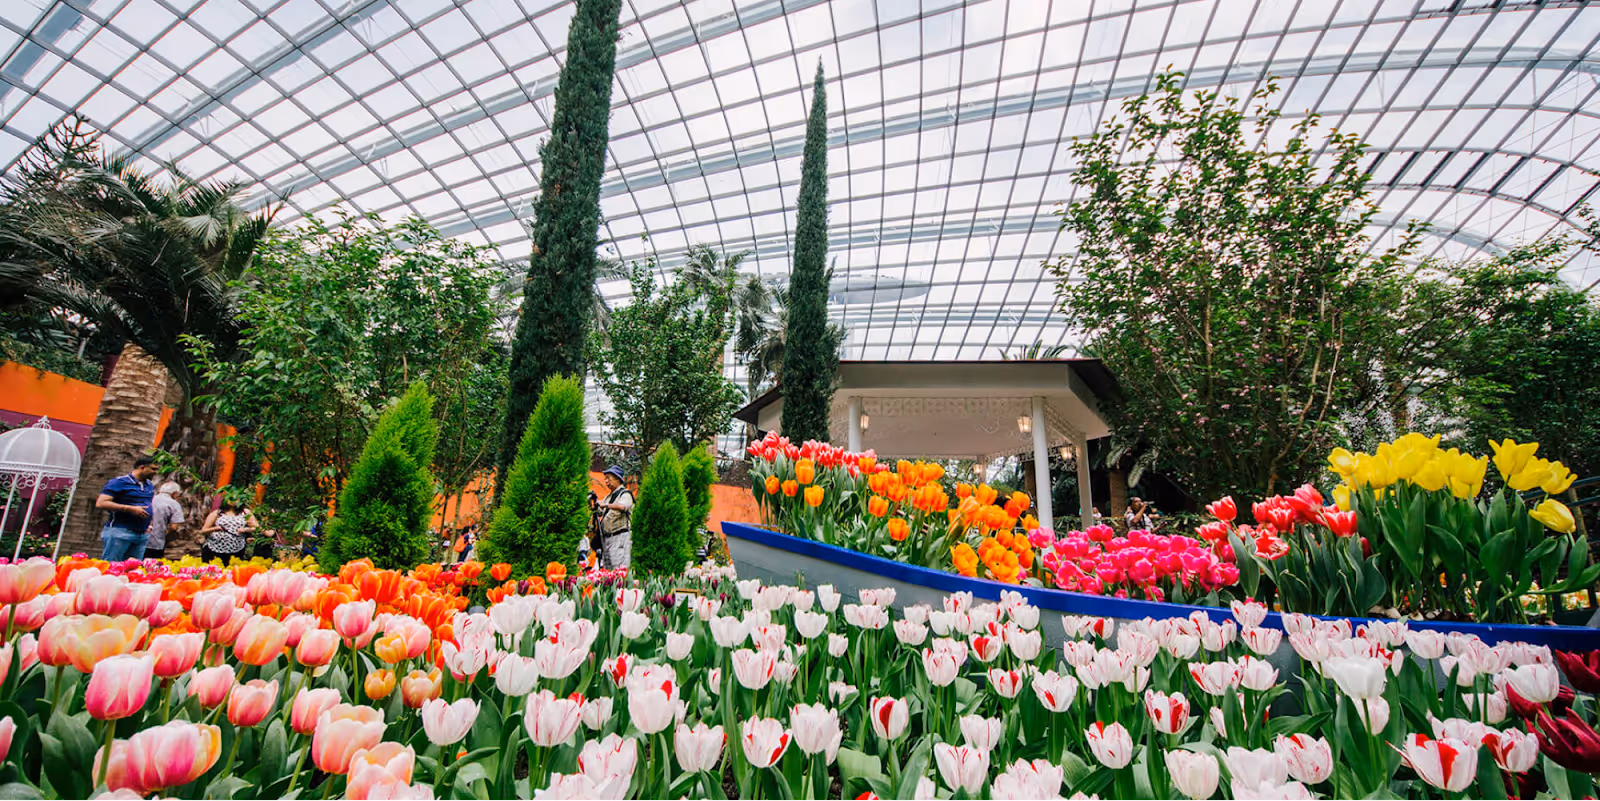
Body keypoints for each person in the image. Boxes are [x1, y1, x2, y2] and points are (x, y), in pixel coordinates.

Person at [95, 455, 159, 561]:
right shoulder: (119, 482)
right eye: (153, 469)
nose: (155, 472)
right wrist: (130, 508)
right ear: (142, 467)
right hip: (120, 532)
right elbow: (101, 503)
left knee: (132, 571)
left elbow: (148, 505)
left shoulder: (149, 485)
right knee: (113, 567)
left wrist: (149, 524)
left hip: (141, 535)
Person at [596, 466, 633, 569]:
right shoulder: (608, 497)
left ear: (617, 478)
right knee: (608, 569)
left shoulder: (625, 494)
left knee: (619, 569)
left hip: (620, 537)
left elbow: (623, 506)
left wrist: (606, 505)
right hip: (607, 538)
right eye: (605, 479)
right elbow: (600, 512)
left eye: (609, 478)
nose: (606, 481)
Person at [199, 499, 257, 563]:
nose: (234, 501)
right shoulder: (217, 513)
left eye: (237, 499)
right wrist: (215, 528)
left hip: (237, 548)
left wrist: (245, 529)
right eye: (231, 498)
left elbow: (256, 527)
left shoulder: (245, 512)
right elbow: (203, 530)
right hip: (215, 548)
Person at [143, 482, 185, 560]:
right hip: (156, 543)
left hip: (139, 539)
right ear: (175, 493)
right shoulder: (174, 504)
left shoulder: (148, 498)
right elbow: (174, 527)